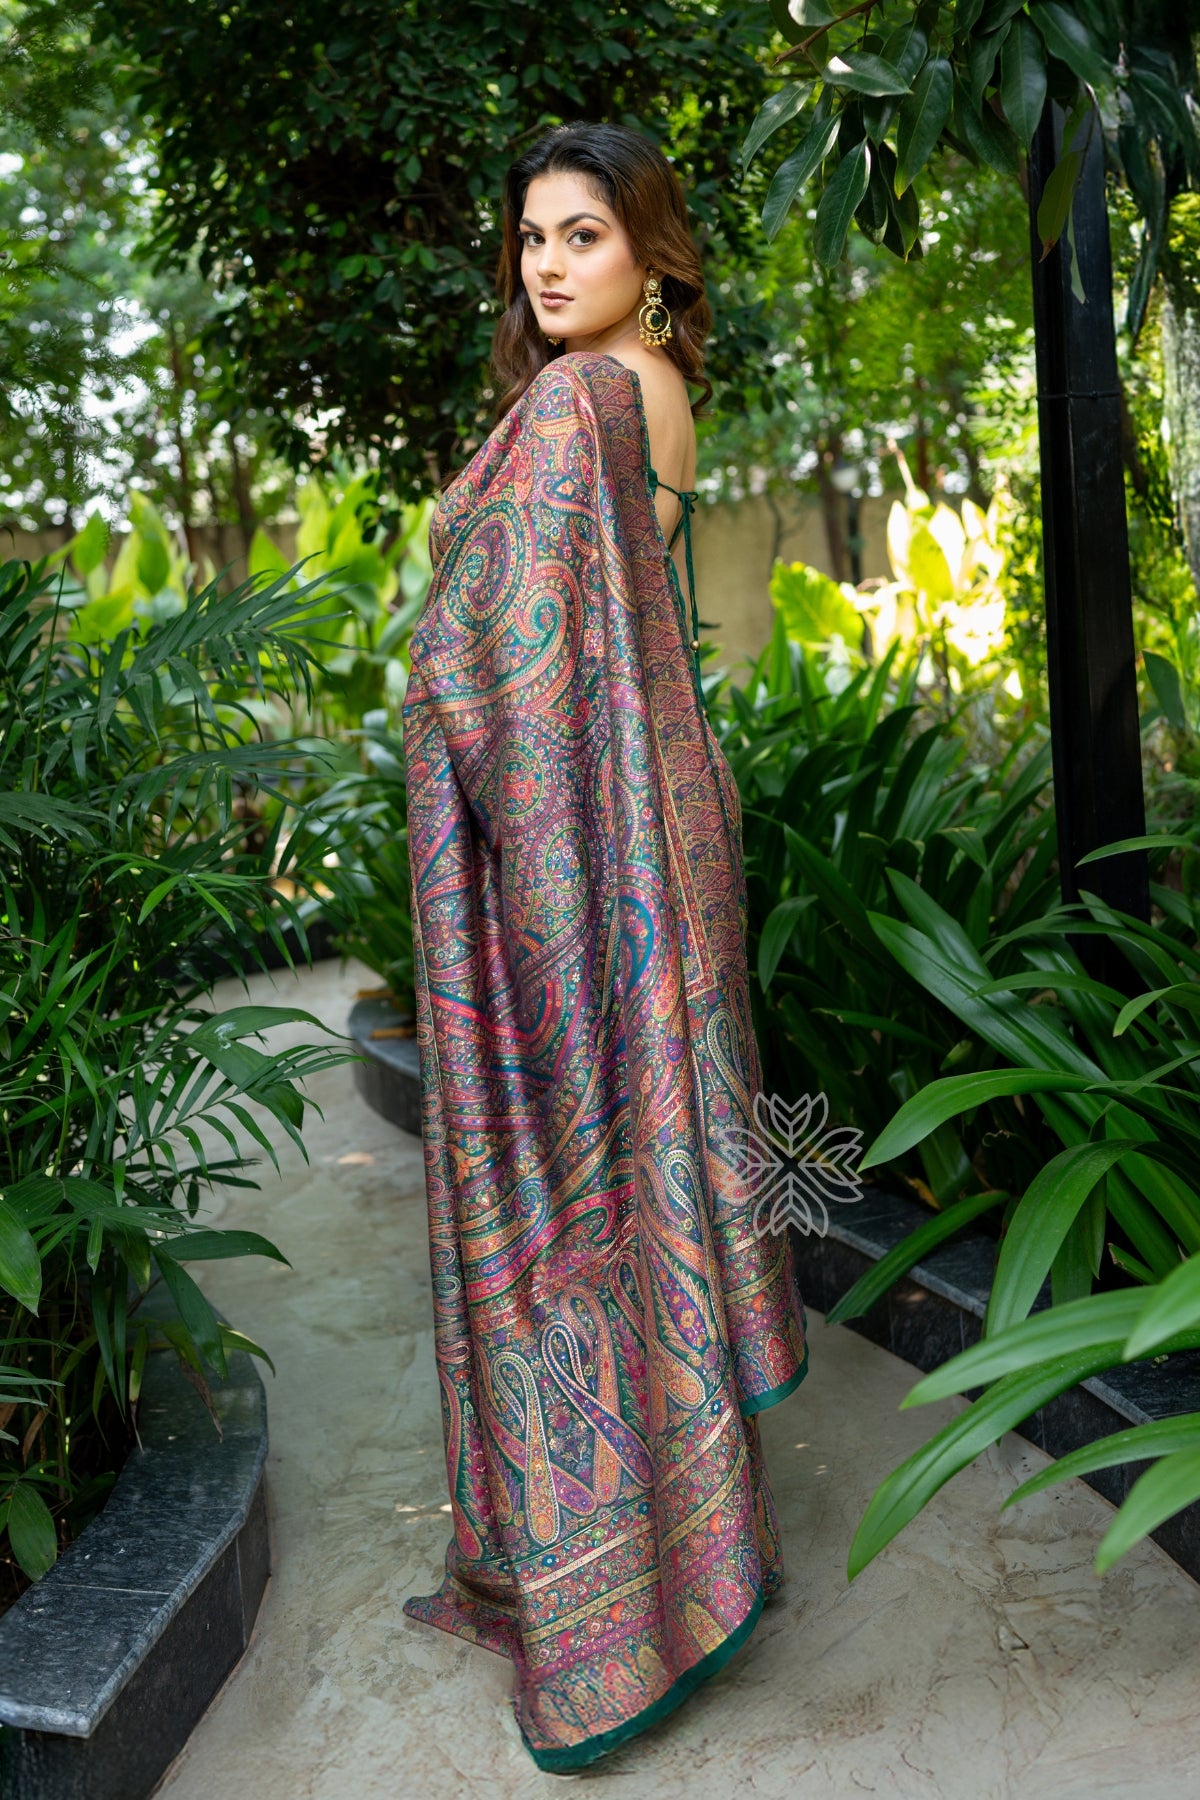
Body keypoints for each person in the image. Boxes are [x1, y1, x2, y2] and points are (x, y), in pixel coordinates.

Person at [401, 120, 809, 1774]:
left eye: (583, 234)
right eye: (529, 239)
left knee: (578, 1200)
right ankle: (693, 1559)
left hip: (592, 845)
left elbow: (487, 649)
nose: (548, 264)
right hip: (654, 827)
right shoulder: (650, 390)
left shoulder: (579, 399)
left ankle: (619, 1610)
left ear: (653, 250)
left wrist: (436, 678)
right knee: (642, 1183)